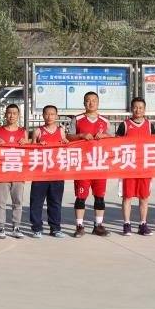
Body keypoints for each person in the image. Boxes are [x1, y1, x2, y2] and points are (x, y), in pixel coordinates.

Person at [68, 91, 111, 237]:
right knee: (81, 196)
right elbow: (69, 136)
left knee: (100, 196)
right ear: (84, 103)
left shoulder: (105, 121)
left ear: (98, 103)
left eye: (94, 100)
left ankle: (98, 225)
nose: (91, 103)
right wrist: (80, 135)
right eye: (88, 100)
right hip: (83, 164)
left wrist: (105, 136)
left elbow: (113, 139)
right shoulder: (77, 119)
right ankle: (79, 226)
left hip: (100, 164)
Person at [116, 97, 154, 236]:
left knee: (144, 196)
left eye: (141, 107)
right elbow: (115, 144)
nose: (138, 110)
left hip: (145, 167)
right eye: (135, 107)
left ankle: (143, 224)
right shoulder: (124, 125)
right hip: (128, 166)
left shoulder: (149, 125)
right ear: (131, 108)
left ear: (144, 109)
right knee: (127, 196)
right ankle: (127, 224)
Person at [30, 104, 67, 238]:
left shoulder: (61, 131)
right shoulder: (38, 131)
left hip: (57, 172)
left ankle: (55, 228)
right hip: (40, 172)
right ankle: (37, 228)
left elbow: (66, 146)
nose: (49, 116)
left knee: (55, 202)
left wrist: (66, 142)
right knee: (37, 202)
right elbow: (30, 149)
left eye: (52, 114)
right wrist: (37, 145)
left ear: (56, 116)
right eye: (47, 114)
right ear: (43, 115)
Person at [0, 103, 28, 238]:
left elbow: (29, 150)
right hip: (2, 172)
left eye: (14, 113)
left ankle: (16, 227)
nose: (11, 116)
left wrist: (26, 143)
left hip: (18, 171)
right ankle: (1, 227)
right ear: (5, 115)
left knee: (17, 201)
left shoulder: (23, 132)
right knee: (0, 202)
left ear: (18, 115)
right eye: (9, 113)